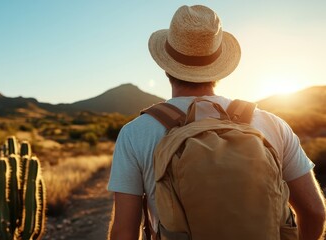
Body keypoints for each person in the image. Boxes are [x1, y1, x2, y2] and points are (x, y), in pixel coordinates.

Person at [107, 4, 326, 240]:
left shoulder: (136, 133)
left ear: (166, 67)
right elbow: (314, 211)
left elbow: (124, 232)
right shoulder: (272, 124)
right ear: (219, 67)